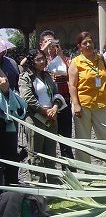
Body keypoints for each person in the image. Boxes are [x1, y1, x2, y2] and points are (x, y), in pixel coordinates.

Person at [68, 32, 106, 163]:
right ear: (79, 47)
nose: (88, 45)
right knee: (83, 138)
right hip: (82, 105)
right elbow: (72, 86)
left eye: (90, 42)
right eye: (85, 43)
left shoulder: (100, 59)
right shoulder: (76, 62)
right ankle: (86, 169)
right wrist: (76, 104)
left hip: (100, 103)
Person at [19, 49, 64, 182]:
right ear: (32, 61)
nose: (42, 61)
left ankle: (52, 181)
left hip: (51, 117)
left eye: (43, 58)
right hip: (35, 118)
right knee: (36, 153)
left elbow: (56, 93)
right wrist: (44, 111)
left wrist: (55, 107)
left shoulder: (47, 75)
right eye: (38, 59)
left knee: (50, 151)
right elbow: (27, 97)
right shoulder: (25, 76)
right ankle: (37, 183)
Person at [39, 30, 75, 159]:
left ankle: (70, 170)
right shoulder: (39, 60)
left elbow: (71, 74)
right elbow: (32, 69)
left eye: (53, 41)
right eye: (48, 42)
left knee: (66, 140)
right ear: (41, 44)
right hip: (46, 106)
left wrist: (61, 55)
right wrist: (44, 51)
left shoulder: (63, 59)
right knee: (47, 142)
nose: (51, 45)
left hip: (63, 103)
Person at [0, 38, 25, 186]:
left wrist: (6, 91)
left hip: (9, 118)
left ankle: (12, 187)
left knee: (10, 154)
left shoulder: (11, 64)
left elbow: (17, 88)